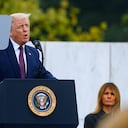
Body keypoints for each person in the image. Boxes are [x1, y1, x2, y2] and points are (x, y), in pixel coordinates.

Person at [0, 12, 56, 82]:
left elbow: (43, 75)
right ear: (10, 31)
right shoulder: (2, 51)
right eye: (20, 26)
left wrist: (60, 85)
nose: (25, 30)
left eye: (27, 25)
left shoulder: (34, 53)